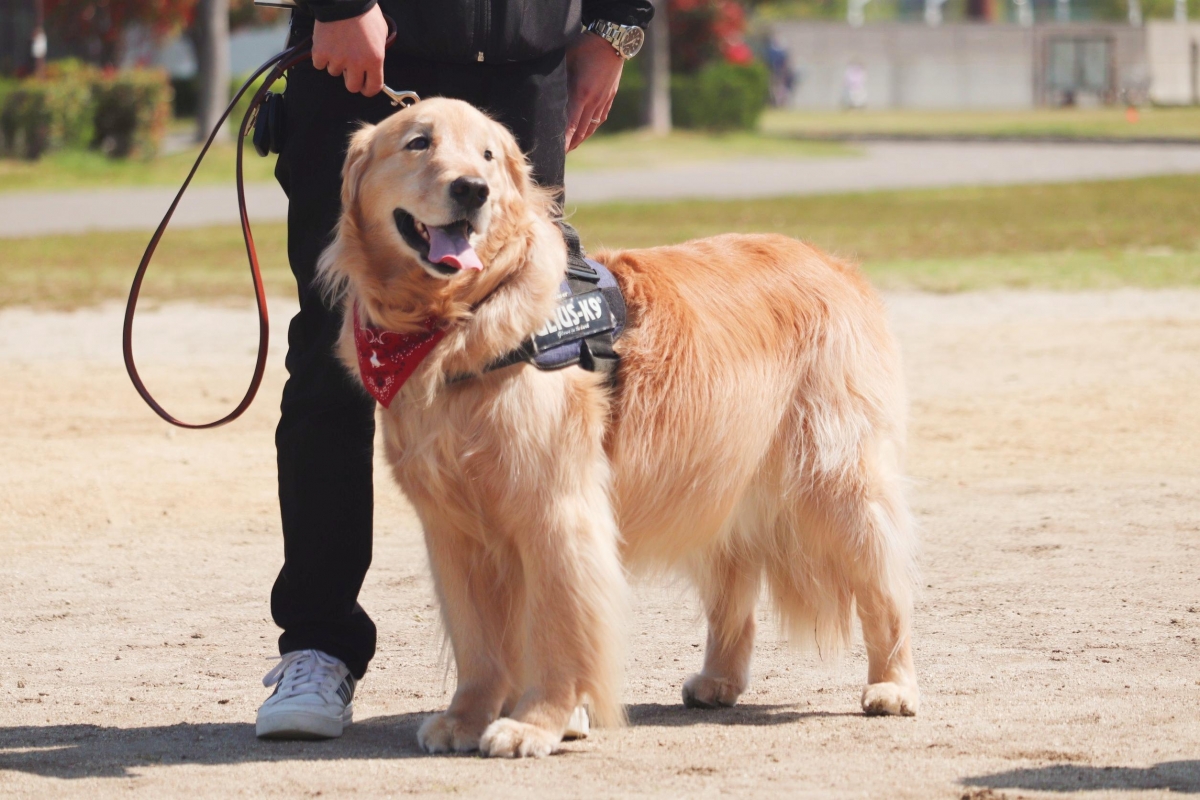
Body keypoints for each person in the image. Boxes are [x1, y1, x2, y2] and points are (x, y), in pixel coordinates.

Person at [255, 0, 654, 740]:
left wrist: (615, 29)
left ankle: (543, 672)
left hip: (527, 66)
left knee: (538, 378)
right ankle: (318, 644)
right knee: (328, 361)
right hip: (361, 56)